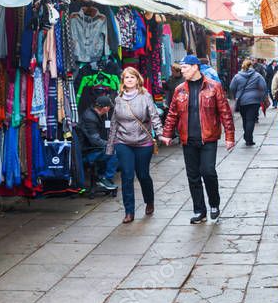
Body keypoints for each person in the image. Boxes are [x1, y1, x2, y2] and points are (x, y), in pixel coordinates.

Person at [159, 55, 235, 223]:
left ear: (195, 67)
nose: (182, 71)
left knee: (208, 172)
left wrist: (230, 136)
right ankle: (199, 210)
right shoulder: (180, 89)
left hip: (208, 138)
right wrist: (167, 133)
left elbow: (225, 112)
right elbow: (172, 113)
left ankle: (214, 204)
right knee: (192, 176)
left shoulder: (214, 87)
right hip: (188, 139)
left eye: (185, 67)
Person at [106, 67, 163, 223]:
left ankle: (149, 200)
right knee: (127, 175)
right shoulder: (118, 99)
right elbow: (114, 123)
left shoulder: (145, 96)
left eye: (132, 77)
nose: (129, 80)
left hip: (143, 142)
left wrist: (160, 134)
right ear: (123, 81)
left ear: (138, 79)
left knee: (143, 175)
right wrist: (110, 147)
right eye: (126, 77)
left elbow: (154, 117)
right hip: (123, 142)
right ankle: (129, 211)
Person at [78, 94, 118, 191]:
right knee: (114, 151)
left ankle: (102, 176)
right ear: (104, 108)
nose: (109, 109)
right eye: (109, 107)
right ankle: (105, 178)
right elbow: (94, 140)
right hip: (87, 152)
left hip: (92, 148)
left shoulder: (95, 114)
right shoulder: (90, 117)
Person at [229, 58, 268, 146]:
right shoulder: (257, 76)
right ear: (251, 66)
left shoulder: (237, 76)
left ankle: (247, 136)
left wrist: (236, 95)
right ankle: (248, 139)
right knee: (251, 120)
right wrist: (261, 95)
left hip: (242, 100)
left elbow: (231, 87)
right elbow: (264, 86)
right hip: (254, 100)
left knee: (245, 119)